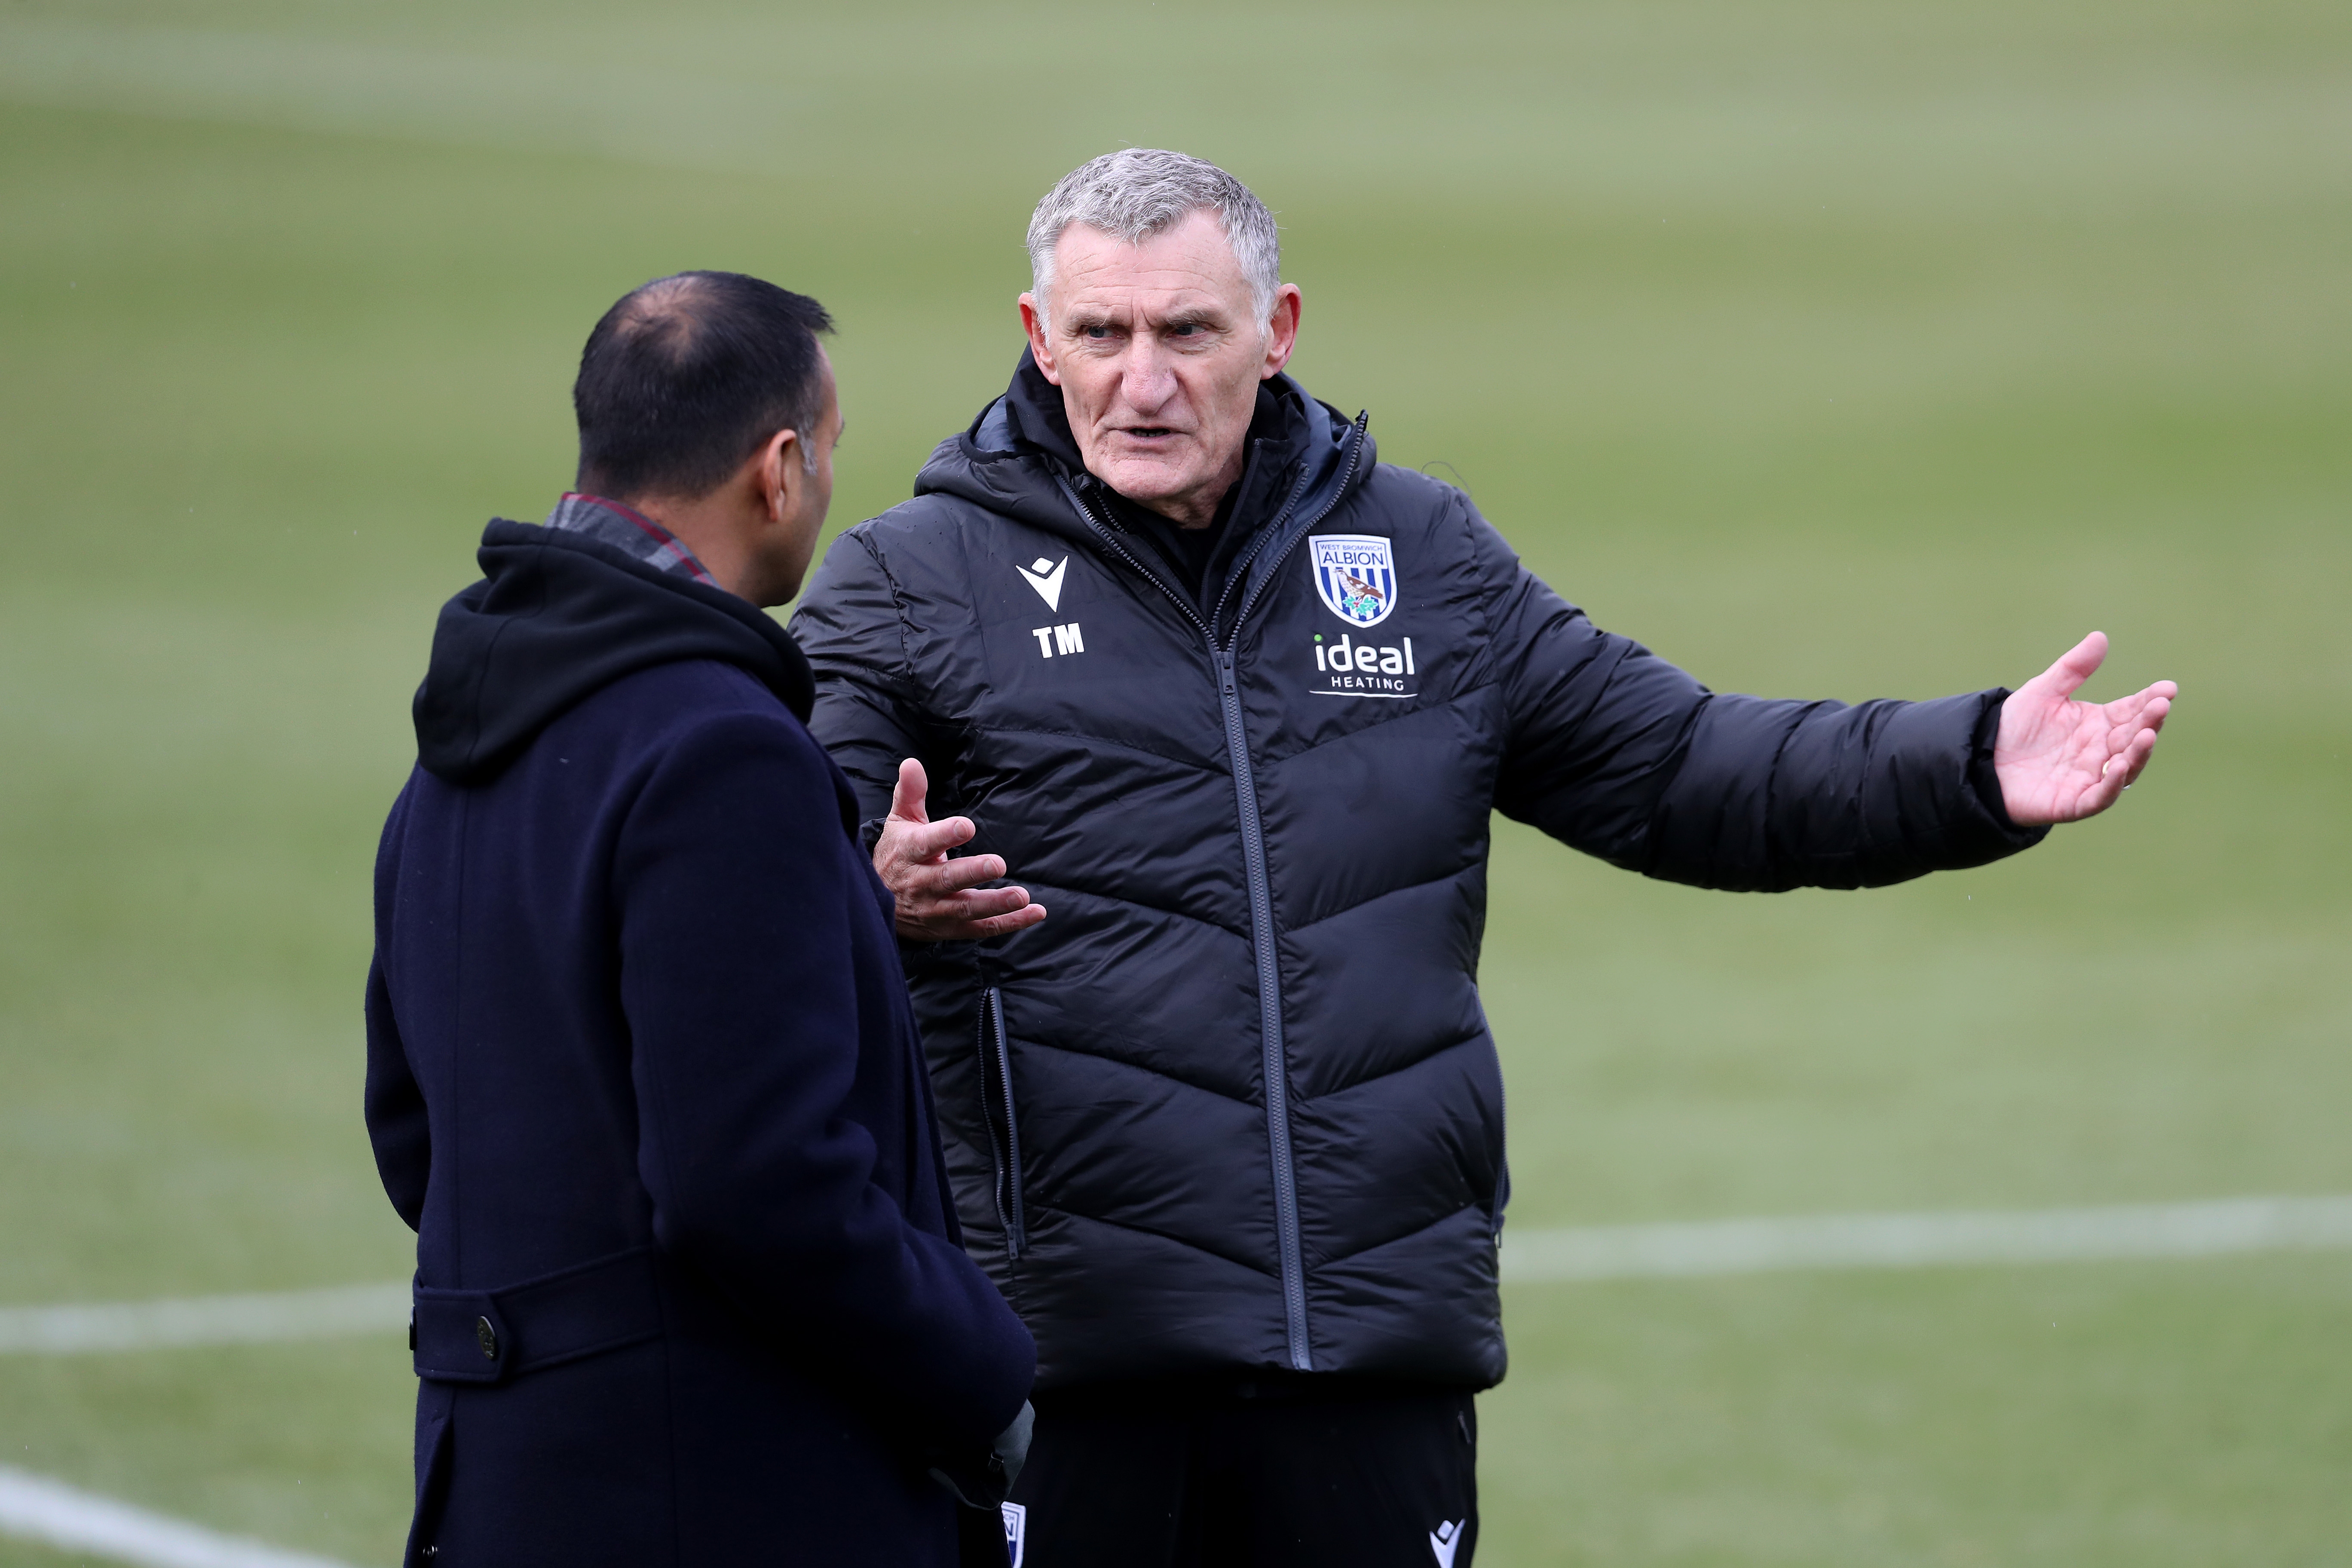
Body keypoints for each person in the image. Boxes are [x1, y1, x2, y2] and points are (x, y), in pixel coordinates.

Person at [788, 152, 2175, 1568]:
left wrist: (1969, 763)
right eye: (1101, 335)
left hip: (1370, 1355)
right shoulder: (911, 583)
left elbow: (1683, 767)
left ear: (1277, 334)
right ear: (1039, 337)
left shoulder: (1421, 556)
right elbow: (760, 878)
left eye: (1187, 333)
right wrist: (864, 891)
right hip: (1063, 1370)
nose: (1142, 381)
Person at [364, 271, 1035, 1568]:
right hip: (719, 1496)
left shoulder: (458, 745)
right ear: (779, 468)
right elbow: (756, 1184)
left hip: (501, 1487)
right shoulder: (722, 748)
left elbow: (420, 1141)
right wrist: (984, 1377)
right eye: (831, 451)